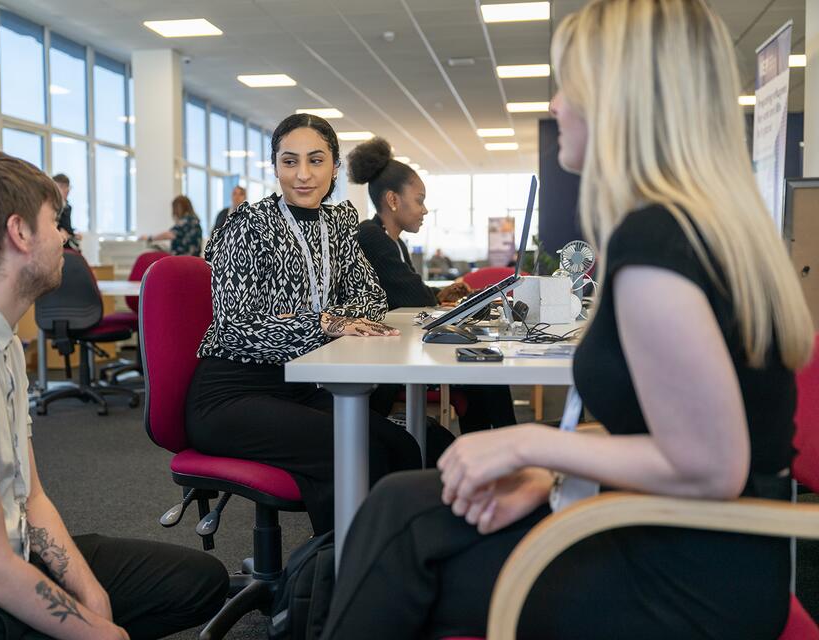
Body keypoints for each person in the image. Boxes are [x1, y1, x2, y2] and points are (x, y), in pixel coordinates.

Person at [321, 1, 815, 638]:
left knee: (398, 534)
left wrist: (529, 442)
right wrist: (554, 468)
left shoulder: (656, 246)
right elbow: (671, 431)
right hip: (706, 548)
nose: (556, 106)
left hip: (685, 579)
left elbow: (710, 463)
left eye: (569, 84)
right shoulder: (701, 230)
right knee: (398, 507)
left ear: (620, 98)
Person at [0, 150, 228, 640]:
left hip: (7, 559)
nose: (65, 236)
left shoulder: (2, 339)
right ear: (19, 232)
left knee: (199, 583)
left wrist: (94, 598)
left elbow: (30, 495)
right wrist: (100, 633)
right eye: (55, 222)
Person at [187, 114, 454, 536]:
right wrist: (328, 322)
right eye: (290, 162)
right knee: (362, 452)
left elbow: (372, 299)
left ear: (334, 166)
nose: (304, 175)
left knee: (412, 446)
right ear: (274, 166)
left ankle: (401, 564)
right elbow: (238, 325)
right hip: (234, 392)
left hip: (303, 386)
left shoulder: (338, 225)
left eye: (316, 160)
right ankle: (343, 579)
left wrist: (304, 322)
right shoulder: (248, 225)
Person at [348, 137, 517, 433]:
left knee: (483, 370)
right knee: (485, 372)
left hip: (402, 347)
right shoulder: (372, 237)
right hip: (389, 361)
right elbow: (416, 297)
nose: (424, 210)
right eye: (420, 200)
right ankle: (508, 447)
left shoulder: (393, 240)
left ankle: (493, 449)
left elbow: (414, 292)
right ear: (392, 199)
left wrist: (444, 295)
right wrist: (438, 296)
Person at [52, 173, 81, 249]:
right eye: (61, 187)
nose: (66, 190)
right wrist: (57, 231)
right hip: (56, 243)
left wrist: (74, 233)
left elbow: (67, 227)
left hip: (67, 243)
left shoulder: (68, 207)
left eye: (67, 186)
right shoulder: (50, 207)